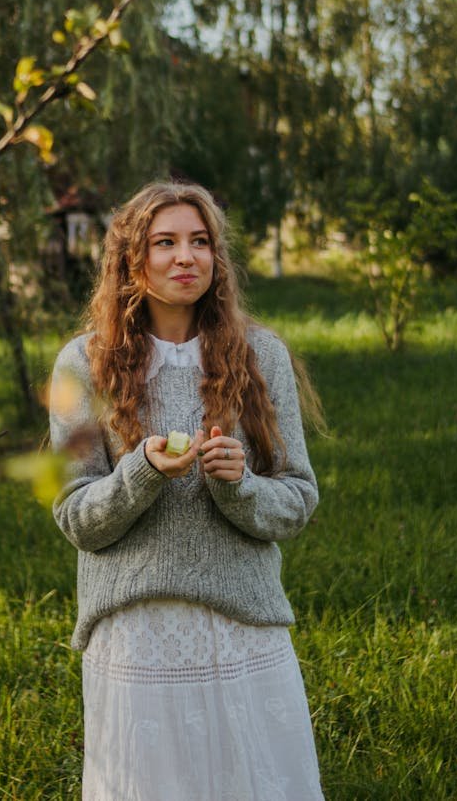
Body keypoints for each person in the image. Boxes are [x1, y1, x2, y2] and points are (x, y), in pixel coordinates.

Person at [49, 180, 325, 801]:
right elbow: (76, 517)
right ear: (132, 259)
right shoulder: (83, 364)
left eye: (200, 242)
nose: (185, 257)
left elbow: (298, 500)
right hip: (137, 631)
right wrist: (142, 472)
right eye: (165, 242)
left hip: (241, 622)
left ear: (216, 258)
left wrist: (240, 485)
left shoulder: (260, 355)